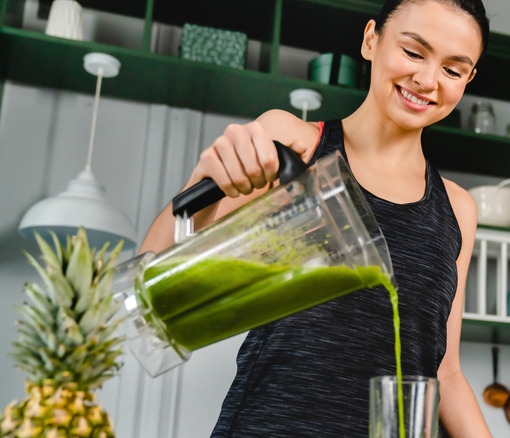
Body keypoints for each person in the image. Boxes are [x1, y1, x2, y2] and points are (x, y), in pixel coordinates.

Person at [139, 0, 492, 435]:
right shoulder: (295, 146)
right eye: (414, 52)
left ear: (468, 79)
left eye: (453, 70)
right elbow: (154, 270)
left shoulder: (457, 209)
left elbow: (447, 373)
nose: (426, 79)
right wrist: (203, 183)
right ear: (370, 40)